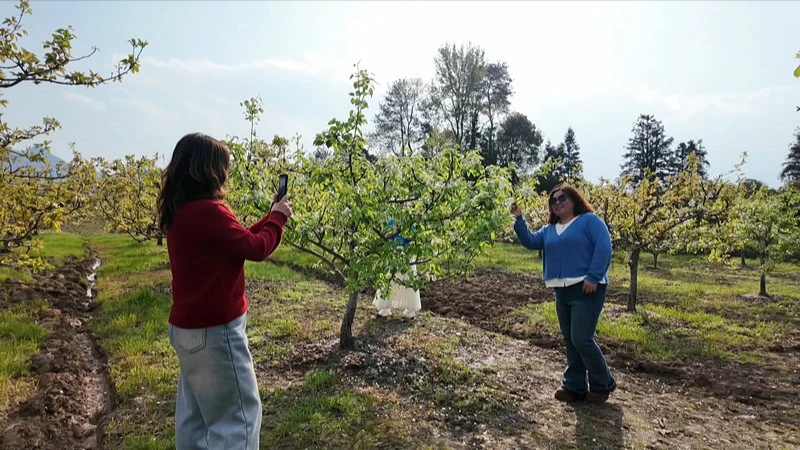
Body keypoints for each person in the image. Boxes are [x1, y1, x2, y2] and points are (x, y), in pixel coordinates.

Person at [157, 133, 293, 449]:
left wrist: (271, 216)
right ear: (208, 170)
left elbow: (237, 240)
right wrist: (278, 221)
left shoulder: (180, 211)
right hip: (215, 332)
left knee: (196, 415)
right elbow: (257, 248)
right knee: (239, 418)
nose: (226, 173)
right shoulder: (209, 211)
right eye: (223, 166)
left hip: (185, 329)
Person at [511, 184, 616, 404]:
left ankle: (602, 383)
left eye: (562, 198)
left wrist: (594, 276)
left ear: (574, 200)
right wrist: (519, 219)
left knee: (581, 338)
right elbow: (530, 241)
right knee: (570, 339)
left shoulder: (589, 221)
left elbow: (603, 246)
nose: (557, 202)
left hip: (587, 287)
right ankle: (574, 386)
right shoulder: (550, 229)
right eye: (553, 200)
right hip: (561, 289)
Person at [373, 218, 422, 320]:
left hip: (407, 253)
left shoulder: (410, 219)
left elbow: (413, 236)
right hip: (393, 253)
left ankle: (410, 311)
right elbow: (385, 235)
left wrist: (406, 235)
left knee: (408, 278)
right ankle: (384, 309)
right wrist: (394, 232)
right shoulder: (391, 221)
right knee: (389, 279)